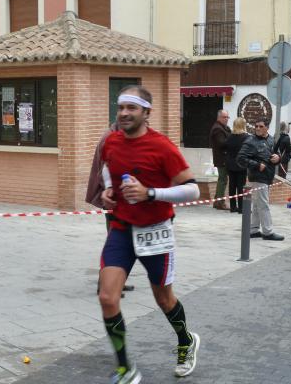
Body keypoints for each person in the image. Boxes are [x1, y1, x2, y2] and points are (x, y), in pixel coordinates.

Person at [99, 85, 201, 383]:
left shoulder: (162, 146)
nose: (124, 113)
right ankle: (125, 368)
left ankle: (186, 341)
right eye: (121, 108)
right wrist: (108, 188)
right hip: (121, 228)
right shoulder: (112, 142)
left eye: (131, 108)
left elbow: (192, 188)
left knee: (164, 299)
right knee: (107, 297)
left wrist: (151, 193)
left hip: (156, 231)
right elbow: (109, 167)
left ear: (146, 113)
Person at [85, 121, 134, 296]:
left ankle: (118, 281)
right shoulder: (110, 139)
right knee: (115, 243)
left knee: (122, 243)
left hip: (118, 200)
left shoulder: (116, 136)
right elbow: (106, 172)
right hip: (113, 201)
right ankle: (106, 285)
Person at [236, 117, 284, 241]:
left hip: (268, 176)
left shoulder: (271, 140)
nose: (257, 128)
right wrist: (256, 165)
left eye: (260, 126)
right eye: (256, 126)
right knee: (263, 204)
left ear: (267, 128)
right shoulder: (250, 140)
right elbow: (240, 158)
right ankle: (268, 232)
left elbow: (278, 155)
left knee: (257, 204)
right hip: (257, 176)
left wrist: (278, 158)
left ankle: (253, 229)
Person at [225, 117, 249, 213]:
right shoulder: (246, 137)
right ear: (243, 125)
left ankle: (233, 207)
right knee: (241, 186)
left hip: (230, 164)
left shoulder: (230, 137)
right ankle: (241, 207)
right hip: (241, 165)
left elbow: (225, 148)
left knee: (232, 186)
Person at [209, 109, 231, 210]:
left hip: (224, 158)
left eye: (227, 117)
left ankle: (217, 201)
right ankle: (220, 202)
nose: (226, 119)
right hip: (221, 158)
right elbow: (222, 143)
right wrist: (233, 140)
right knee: (223, 179)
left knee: (222, 179)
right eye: (224, 117)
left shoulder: (224, 128)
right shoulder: (217, 129)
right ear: (219, 117)